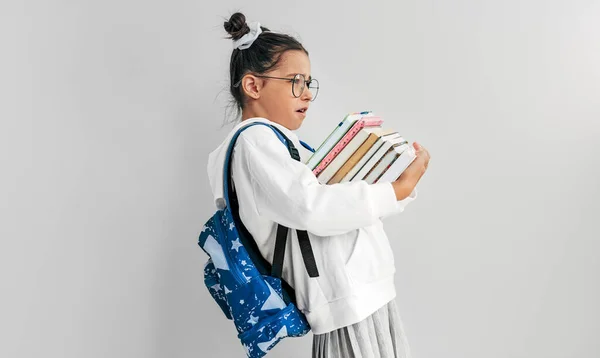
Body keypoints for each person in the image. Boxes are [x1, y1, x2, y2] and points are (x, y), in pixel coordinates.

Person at [206, 12, 431, 358]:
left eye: (309, 83)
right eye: (296, 81)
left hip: (359, 294)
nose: (307, 94)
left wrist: (395, 185)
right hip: (347, 299)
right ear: (253, 86)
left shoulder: (275, 143)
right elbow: (309, 206)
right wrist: (395, 192)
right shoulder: (254, 143)